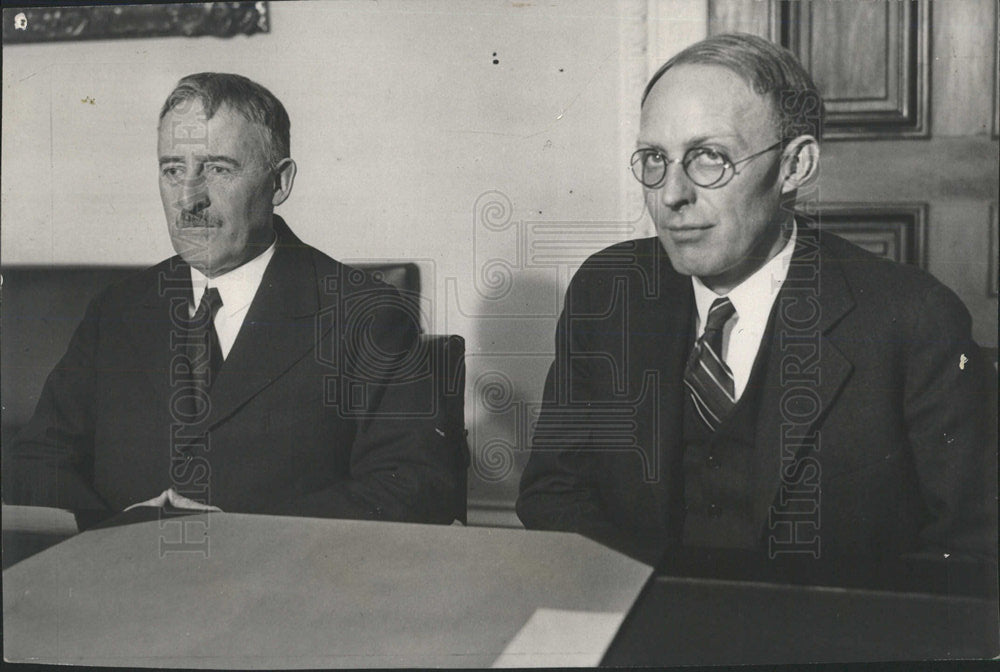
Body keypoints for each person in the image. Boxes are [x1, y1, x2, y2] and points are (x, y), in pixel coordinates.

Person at [517, 34, 996, 564]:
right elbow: (553, 495)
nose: (671, 194)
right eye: (655, 158)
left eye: (709, 157)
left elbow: (968, 549)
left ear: (795, 167)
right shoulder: (609, 291)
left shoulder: (910, 317)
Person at [3, 73, 463, 527]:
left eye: (218, 169)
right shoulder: (116, 311)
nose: (188, 199)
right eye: (173, 170)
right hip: (122, 584)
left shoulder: (365, 315)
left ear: (279, 183)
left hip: (280, 588)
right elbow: (36, 462)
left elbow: (412, 487)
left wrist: (238, 536)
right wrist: (116, 535)